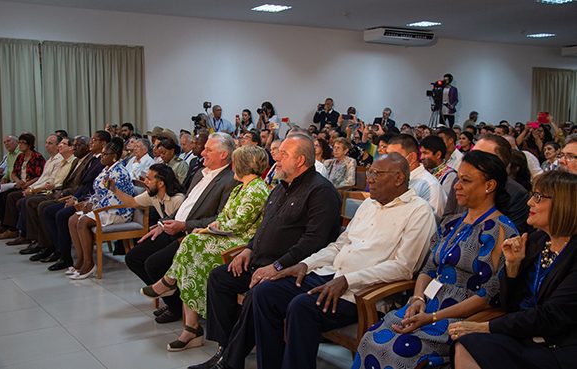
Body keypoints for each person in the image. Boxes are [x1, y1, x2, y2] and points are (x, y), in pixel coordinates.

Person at [252, 153, 437, 369]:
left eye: (377, 174)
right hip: (331, 274)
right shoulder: (369, 205)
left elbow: (404, 267)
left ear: (398, 178)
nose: (370, 178)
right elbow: (339, 245)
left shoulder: (419, 212)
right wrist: (305, 264)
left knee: (302, 307)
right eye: (369, 172)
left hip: (362, 293)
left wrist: (348, 280)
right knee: (265, 292)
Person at [189, 133, 341, 369]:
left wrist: (277, 266)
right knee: (219, 278)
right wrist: (248, 249)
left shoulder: (321, 191)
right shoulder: (281, 188)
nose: (276, 159)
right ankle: (225, 347)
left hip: (289, 268)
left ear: (300, 160)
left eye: (283, 155)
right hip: (260, 261)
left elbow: (314, 241)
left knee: (258, 292)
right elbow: (264, 227)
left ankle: (230, 361)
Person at [354, 150, 519, 369]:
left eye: (465, 181)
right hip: (429, 303)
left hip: (461, 315)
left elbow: (487, 296)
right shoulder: (452, 222)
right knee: (371, 339)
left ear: (489, 186)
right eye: (458, 179)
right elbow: (429, 268)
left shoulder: (500, 231)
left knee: (399, 352)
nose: (456, 186)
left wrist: (433, 317)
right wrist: (417, 299)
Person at [140, 146, 270, 352]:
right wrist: (209, 229)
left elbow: (237, 224)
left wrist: (207, 229)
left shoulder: (257, 189)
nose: (233, 166)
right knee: (190, 250)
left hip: (240, 243)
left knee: (191, 244)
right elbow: (223, 218)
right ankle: (188, 323)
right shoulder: (240, 187)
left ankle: (174, 292)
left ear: (244, 165)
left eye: (236, 163)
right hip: (228, 236)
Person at [451, 170, 577, 369]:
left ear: (564, 205)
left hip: (560, 344)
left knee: (473, 340)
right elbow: (509, 304)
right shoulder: (536, 241)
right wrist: (512, 267)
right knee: (466, 344)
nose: (529, 203)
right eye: (531, 196)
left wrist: (487, 327)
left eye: (538, 197)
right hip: (524, 333)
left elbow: (552, 316)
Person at [125, 132, 238, 324]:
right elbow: (185, 206)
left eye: (208, 150)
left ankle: (175, 306)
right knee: (134, 257)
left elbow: (219, 218)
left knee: (153, 264)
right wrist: (163, 223)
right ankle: (174, 300)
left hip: (193, 233)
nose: (202, 153)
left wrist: (184, 225)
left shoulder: (230, 180)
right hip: (175, 226)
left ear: (223, 155)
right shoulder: (200, 173)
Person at [32, 132, 108, 265]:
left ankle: (65, 256)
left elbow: (92, 188)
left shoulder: (102, 161)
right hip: (79, 196)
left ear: (103, 144)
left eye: (94, 140)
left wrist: (77, 199)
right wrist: (73, 197)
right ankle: (55, 248)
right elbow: (83, 184)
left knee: (60, 214)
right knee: (47, 210)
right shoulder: (92, 158)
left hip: (88, 200)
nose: (91, 143)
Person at [67, 138, 134, 279]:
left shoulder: (119, 173)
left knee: (83, 221)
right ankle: (80, 260)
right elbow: (98, 192)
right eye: (102, 154)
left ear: (114, 156)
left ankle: (89, 264)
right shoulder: (106, 170)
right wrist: (88, 203)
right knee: (73, 219)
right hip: (105, 208)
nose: (102, 157)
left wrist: (94, 207)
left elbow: (116, 198)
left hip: (118, 211)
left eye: (105, 154)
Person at [6, 136, 75, 247]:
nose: (47, 145)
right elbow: (43, 178)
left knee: (28, 202)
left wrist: (33, 189)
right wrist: (31, 188)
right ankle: (25, 234)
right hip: (46, 189)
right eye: (46, 142)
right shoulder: (50, 160)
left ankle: (34, 238)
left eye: (51, 143)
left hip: (53, 191)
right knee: (15, 198)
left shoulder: (63, 160)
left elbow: (52, 182)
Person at [473, 134, 530, 234]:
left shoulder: (516, 193)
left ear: (499, 162)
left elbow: (512, 233)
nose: (471, 159)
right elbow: (448, 218)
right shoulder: (460, 181)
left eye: (481, 156)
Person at [0, 133, 46, 239]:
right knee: (1, 194)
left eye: (23, 143)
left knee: (11, 197)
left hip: (31, 185)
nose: (20, 145)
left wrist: (27, 184)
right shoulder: (20, 157)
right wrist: (18, 181)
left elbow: (40, 176)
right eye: (19, 142)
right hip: (19, 184)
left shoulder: (37, 157)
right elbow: (13, 173)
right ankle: (6, 226)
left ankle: (13, 229)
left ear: (29, 145)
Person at [387, 134, 447, 220]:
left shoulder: (430, 185)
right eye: (387, 156)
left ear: (412, 158)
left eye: (394, 156)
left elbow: (431, 223)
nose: (388, 161)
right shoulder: (392, 178)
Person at [420, 135, 461, 217]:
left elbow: (445, 207)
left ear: (438, 155)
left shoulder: (450, 175)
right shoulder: (423, 171)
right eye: (421, 153)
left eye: (425, 153)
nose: (421, 157)